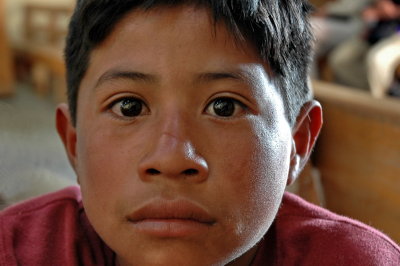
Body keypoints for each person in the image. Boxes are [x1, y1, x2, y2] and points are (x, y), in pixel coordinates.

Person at [1, 0, 399, 265]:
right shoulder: (18, 250)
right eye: (129, 107)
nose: (172, 159)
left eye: (224, 106)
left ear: (298, 142)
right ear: (73, 142)